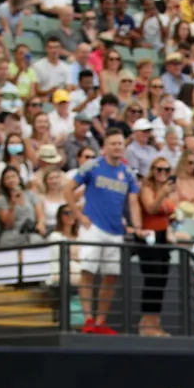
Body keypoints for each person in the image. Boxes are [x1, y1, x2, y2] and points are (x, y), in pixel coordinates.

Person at [70, 128, 145, 334]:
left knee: (111, 276)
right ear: (105, 146)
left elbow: (133, 202)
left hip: (115, 230)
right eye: (113, 143)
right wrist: (79, 216)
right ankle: (88, 319)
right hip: (93, 227)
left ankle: (101, 322)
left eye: (120, 143)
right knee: (88, 273)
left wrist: (137, 227)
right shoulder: (93, 166)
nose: (117, 147)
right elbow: (68, 189)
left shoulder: (128, 173)